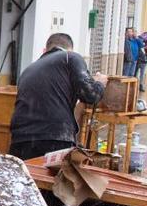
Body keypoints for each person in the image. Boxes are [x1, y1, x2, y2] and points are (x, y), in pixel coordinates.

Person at [8, 33, 107, 161]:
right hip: (54, 138)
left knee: (28, 180)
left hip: (20, 140)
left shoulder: (28, 70)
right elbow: (91, 95)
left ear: (46, 49)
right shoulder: (70, 57)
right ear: (70, 48)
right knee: (54, 180)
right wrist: (99, 83)